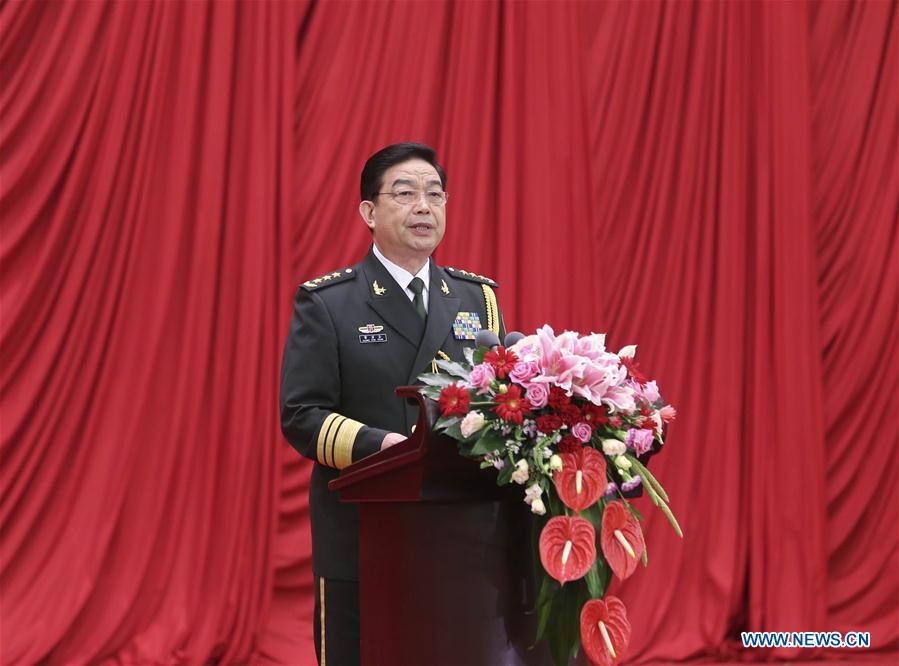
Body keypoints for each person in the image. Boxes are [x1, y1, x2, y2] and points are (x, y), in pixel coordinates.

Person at [279, 142, 506, 666]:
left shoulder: (478, 299)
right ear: (369, 212)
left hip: (460, 533)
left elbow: (496, 405)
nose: (424, 207)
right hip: (365, 533)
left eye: (435, 194)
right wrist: (385, 447)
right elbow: (302, 415)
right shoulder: (329, 303)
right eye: (405, 194)